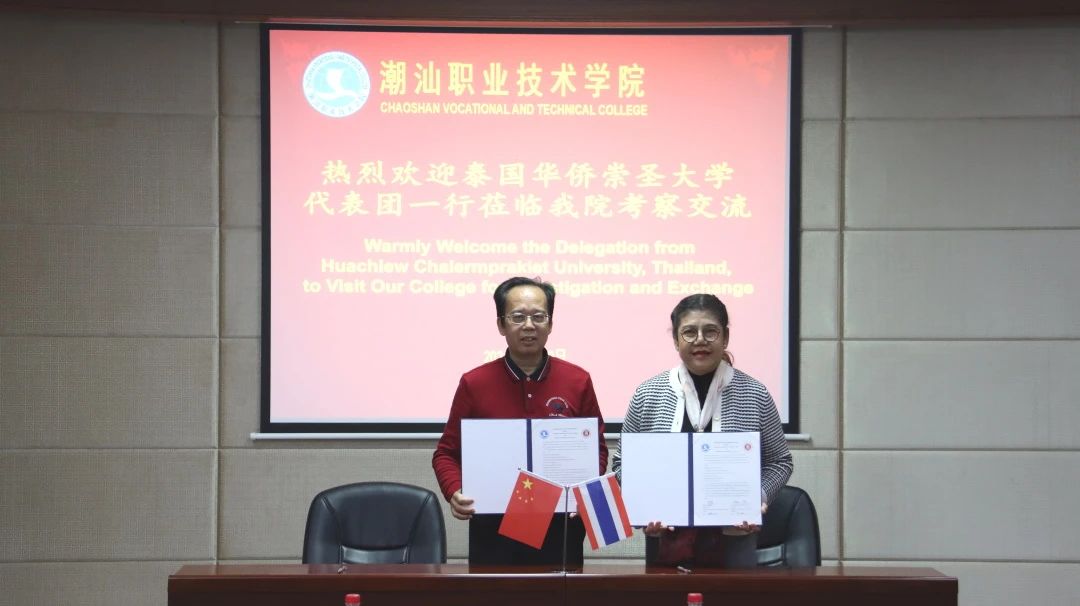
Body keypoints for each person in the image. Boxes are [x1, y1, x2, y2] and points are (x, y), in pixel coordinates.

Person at [432, 276, 608, 566]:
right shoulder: (474, 383)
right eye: (518, 317)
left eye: (538, 316)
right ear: (501, 325)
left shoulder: (578, 380)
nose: (529, 325)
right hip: (493, 527)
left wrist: (582, 490)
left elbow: (597, 450)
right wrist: (455, 491)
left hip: (560, 527)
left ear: (550, 324)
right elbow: (446, 453)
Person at [612, 293, 792, 568]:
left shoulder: (755, 394)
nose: (700, 340)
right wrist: (644, 506)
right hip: (666, 538)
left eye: (710, 332)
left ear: (725, 338)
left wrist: (757, 497)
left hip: (734, 539)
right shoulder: (647, 394)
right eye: (689, 332)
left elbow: (780, 461)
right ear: (676, 340)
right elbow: (622, 463)